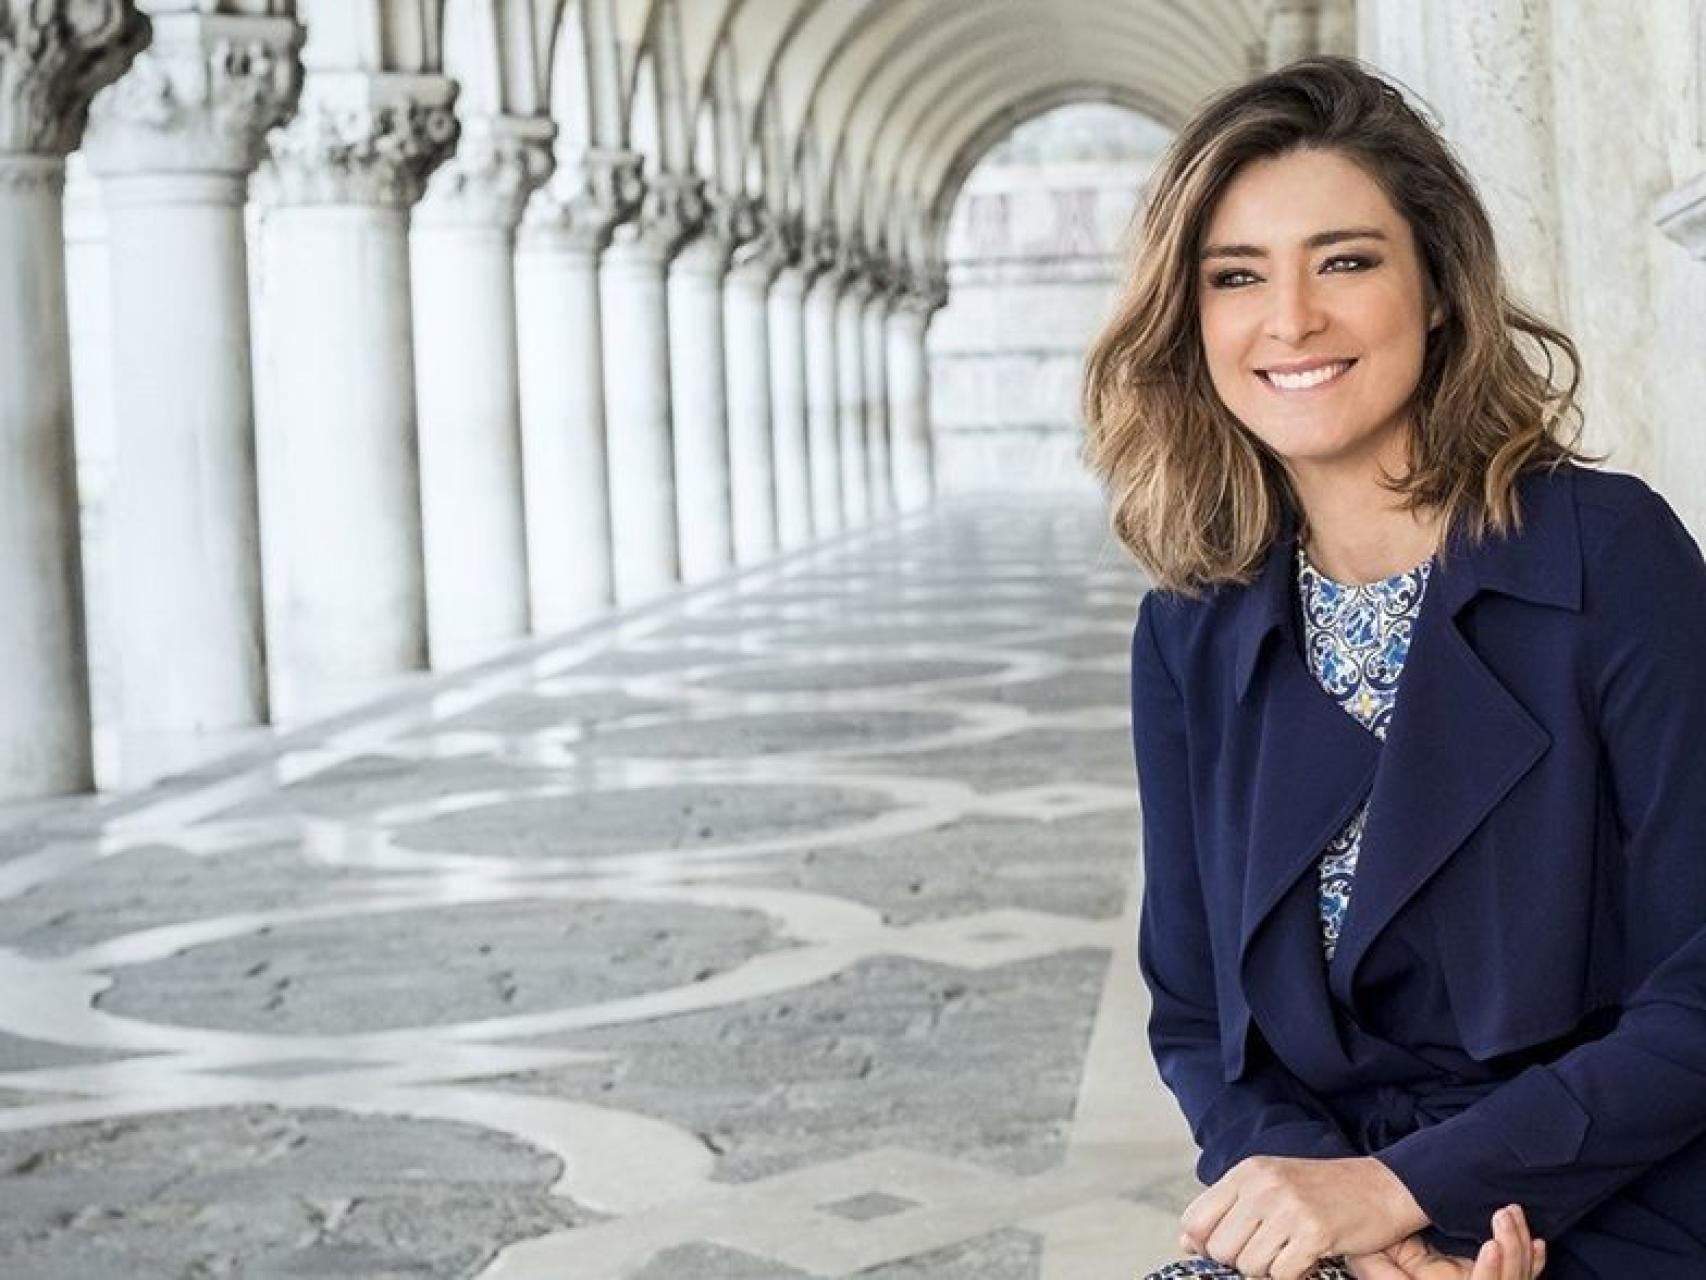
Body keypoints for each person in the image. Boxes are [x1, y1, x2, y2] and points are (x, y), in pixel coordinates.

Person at [1081, 55, 1706, 1280]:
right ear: (1189, 319)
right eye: (1236, 276)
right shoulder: (1189, 626)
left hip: (1617, 1192)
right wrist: (1326, 1211)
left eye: (1346, 259)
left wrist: (1408, 1190)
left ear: (1434, 289)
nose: (1291, 317)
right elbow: (1202, 1018)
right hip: (1338, 1216)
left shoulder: (1608, 553)